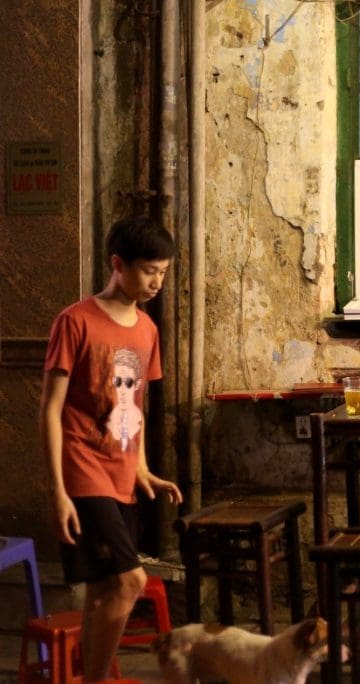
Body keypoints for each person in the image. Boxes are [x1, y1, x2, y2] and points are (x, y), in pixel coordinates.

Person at [40, 216, 183, 682]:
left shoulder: (147, 330)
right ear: (117, 265)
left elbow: (134, 403)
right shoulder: (75, 321)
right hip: (83, 468)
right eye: (148, 271)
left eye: (162, 271)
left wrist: (142, 467)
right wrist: (58, 490)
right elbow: (51, 408)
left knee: (103, 590)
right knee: (131, 581)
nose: (157, 281)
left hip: (121, 471)